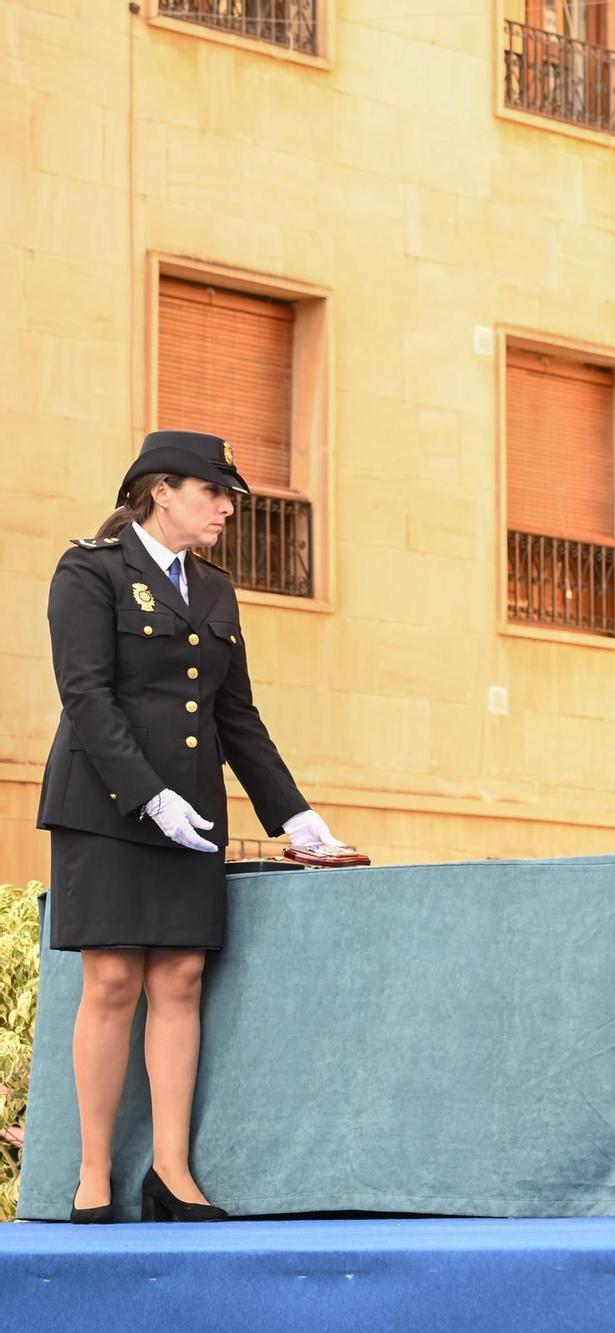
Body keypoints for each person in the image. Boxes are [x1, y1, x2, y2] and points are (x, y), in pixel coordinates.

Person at [38, 429, 342, 1223]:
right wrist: (147, 794)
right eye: (213, 491)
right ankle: (95, 1174)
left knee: (178, 979)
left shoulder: (214, 589)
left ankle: (170, 1171)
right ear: (159, 489)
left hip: (192, 813)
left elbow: (236, 717)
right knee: (110, 981)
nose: (226, 506)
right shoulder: (90, 570)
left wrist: (295, 814)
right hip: (106, 807)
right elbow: (87, 697)